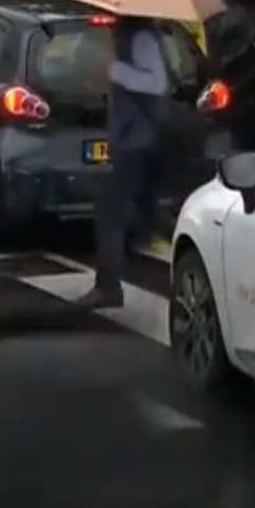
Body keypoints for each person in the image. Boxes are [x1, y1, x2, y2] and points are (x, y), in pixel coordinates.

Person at [80, 15, 172, 310]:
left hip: (139, 140)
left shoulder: (141, 34)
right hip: (135, 139)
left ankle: (108, 288)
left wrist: (115, 69)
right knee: (149, 212)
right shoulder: (129, 33)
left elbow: (157, 82)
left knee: (109, 211)